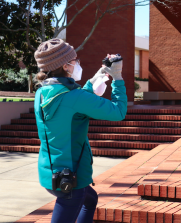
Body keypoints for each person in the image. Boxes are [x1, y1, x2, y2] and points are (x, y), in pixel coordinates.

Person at [33, 39, 127, 223]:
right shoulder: (74, 97)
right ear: (65, 66)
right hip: (72, 175)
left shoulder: (43, 92)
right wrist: (117, 77)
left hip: (50, 171)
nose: (78, 63)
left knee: (90, 200)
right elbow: (119, 112)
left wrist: (94, 79)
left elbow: (72, 103)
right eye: (75, 60)